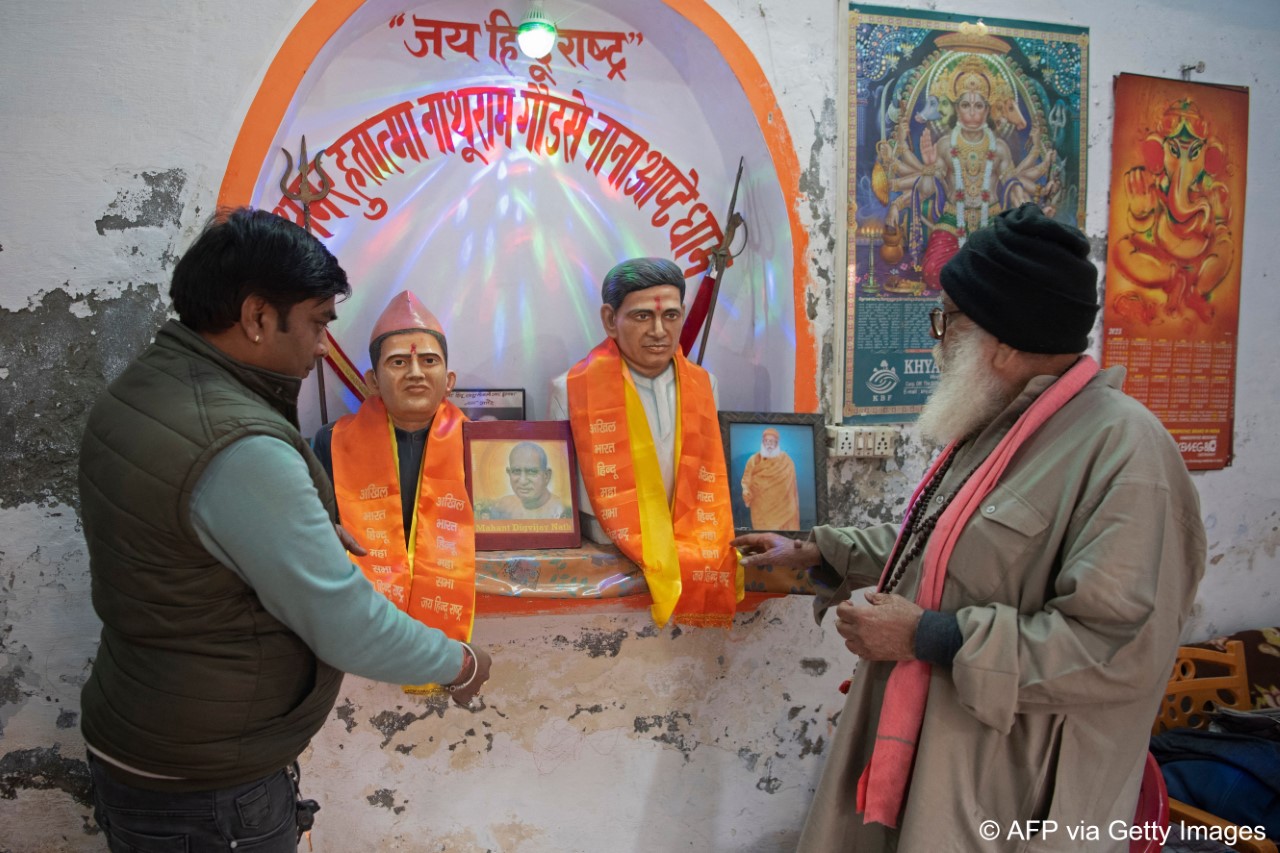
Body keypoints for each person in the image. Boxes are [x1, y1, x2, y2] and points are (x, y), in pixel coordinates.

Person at [734, 204, 1205, 852]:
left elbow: (1117, 652)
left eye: (948, 319)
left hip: (1010, 797)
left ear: (1005, 339)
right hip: (933, 754)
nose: (938, 336)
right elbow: (949, 555)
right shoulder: (1004, 424)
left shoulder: (1126, 452)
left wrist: (926, 634)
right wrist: (821, 547)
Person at [77, 209, 491, 852]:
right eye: (320, 323)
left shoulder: (145, 387)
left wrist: (293, 526)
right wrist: (457, 662)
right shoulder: (240, 445)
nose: (325, 346)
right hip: (205, 785)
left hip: (147, 727)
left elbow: (187, 526)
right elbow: (345, 623)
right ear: (258, 317)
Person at [549, 257, 741, 628]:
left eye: (671, 316)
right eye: (641, 317)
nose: (659, 330)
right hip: (609, 539)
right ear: (610, 320)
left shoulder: (706, 385)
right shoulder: (570, 390)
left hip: (687, 535)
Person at [313, 290, 477, 670]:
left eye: (429, 361)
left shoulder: (480, 445)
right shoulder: (330, 441)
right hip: (361, 624)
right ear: (372, 380)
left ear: (449, 379)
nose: (416, 373)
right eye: (399, 361)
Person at [483, 442, 572, 520]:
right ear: (509, 473)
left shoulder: (562, 511)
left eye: (531, 472)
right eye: (516, 471)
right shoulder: (502, 508)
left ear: (546, 476)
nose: (523, 481)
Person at [740, 427, 800, 530]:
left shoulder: (786, 461)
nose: (769, 444)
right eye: (766, 441)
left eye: (772, 441)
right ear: (762, 442)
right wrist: (746, 490)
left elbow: (792, 489)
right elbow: (746, 479)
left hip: (783, 509)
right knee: (761, 539)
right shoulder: (753, 460)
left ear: (777, 443)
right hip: (760, 509)